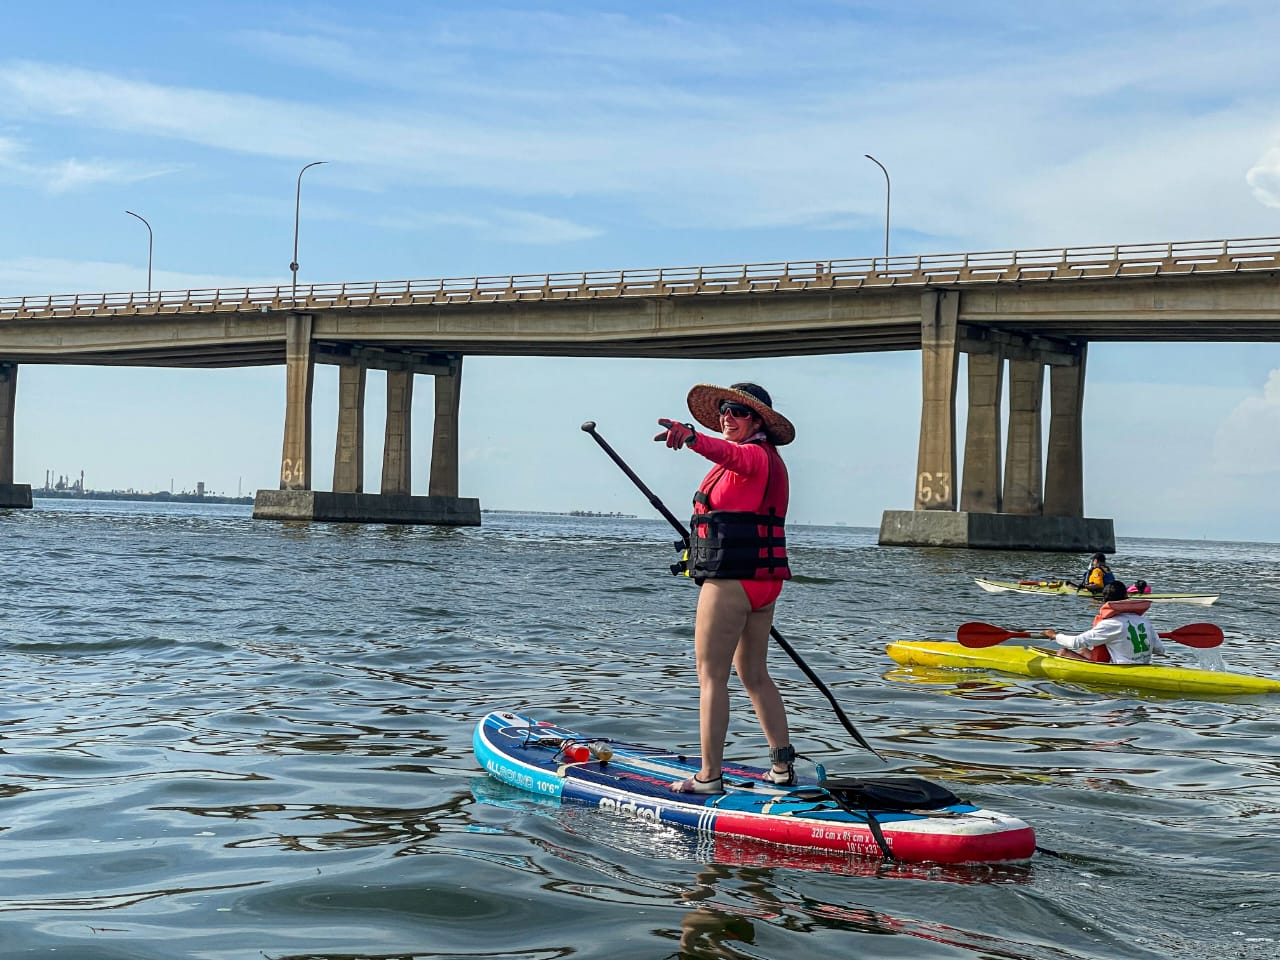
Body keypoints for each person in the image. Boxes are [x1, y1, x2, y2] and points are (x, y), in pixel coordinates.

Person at [654, 382, 796, 795]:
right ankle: (782, 768)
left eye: (737, 411)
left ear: (758, 421)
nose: (726, 418)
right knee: (752, 673)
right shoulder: (764, 460)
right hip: (764, 583)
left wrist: (693, 438)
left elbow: (727, 453)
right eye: (723, 411)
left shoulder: (751, 455)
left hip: (732, 581)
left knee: (711, 677)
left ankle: (709, 776)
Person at [1039, 581, 1166, 664]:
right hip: (1144, 666)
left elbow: (1075, 642)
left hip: (1123, 671)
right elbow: (1160, 650)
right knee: (1084, 651)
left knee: (1062, 652)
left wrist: (1054, 635)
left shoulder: (1111, 624)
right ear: (1126, 598)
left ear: (1105, 602)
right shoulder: (1144, 621)